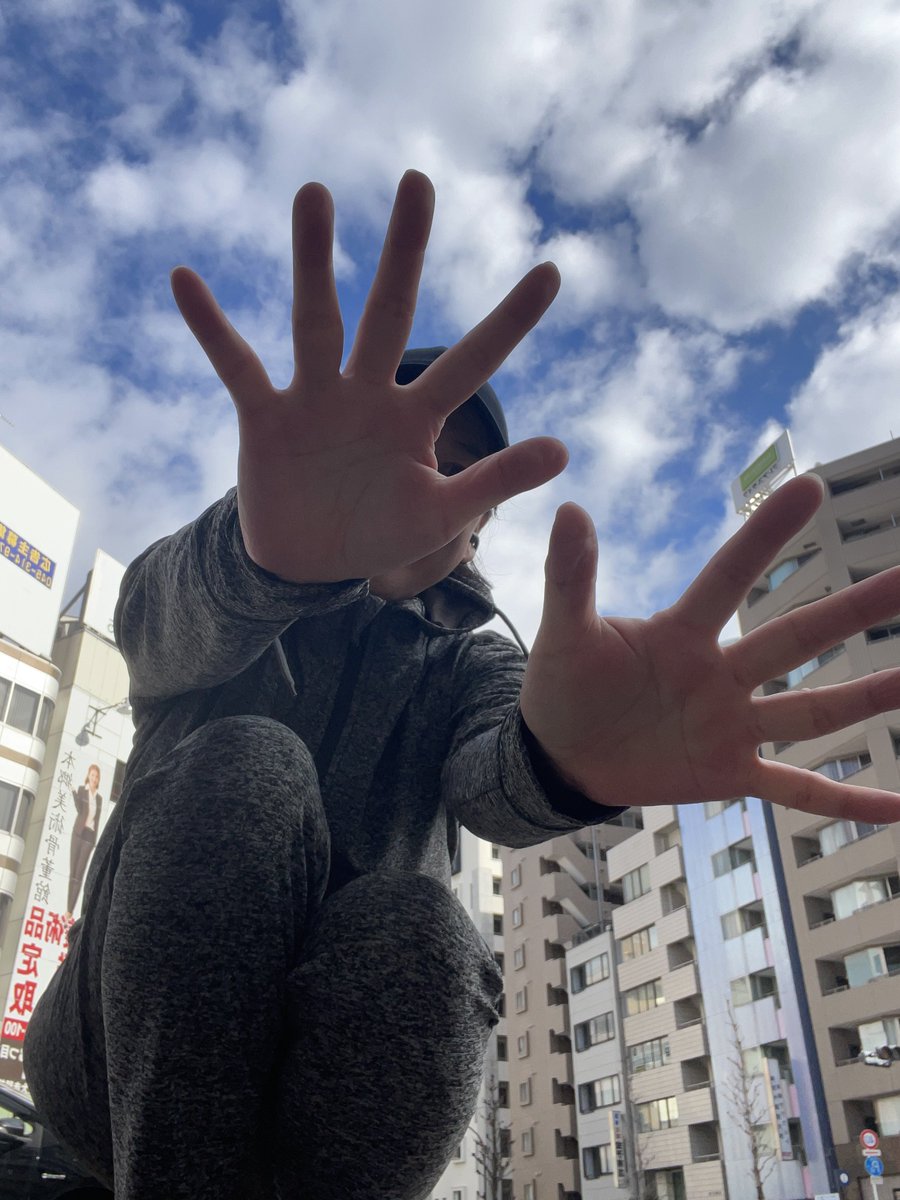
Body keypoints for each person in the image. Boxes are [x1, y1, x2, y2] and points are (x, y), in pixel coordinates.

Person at [23, 170, 900, 1200]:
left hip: (339, 1081)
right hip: (116, 1052)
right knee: (252, 763)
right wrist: (261, 559)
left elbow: (495, 783)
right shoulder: (241, 590)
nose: (420, 485)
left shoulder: (475, 661)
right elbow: (150, 622)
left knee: (431, 930)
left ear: (480, 528)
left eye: (457, 477)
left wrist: (562, 764)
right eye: (407, 452)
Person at [66, 764, 103, 922]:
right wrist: (74, 793)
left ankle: (69, 910)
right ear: (88, 776)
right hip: (77, 833)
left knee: (79, 875)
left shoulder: (99, 799)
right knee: (72, 871)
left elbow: (97, 820)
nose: (94, 778)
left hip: (89, 836)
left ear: (98, 779)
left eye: (96, 776)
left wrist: (95, 840)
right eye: (92, 775)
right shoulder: (82, 791)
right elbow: (80, 809)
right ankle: (68, 906)